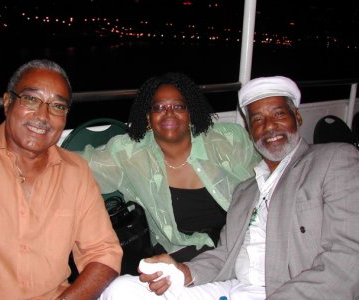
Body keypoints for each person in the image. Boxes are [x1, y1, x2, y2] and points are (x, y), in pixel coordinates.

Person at [98, 75, 359, 299]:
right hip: (235, 287)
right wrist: (182, 272)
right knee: (121, 290)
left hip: (288, 291)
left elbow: (348, 261)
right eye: (257, 119)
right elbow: (225, 255)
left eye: (278, 114)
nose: (268, 126)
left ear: (298, 117)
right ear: (249, 130)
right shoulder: (246, 191)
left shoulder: (332, 160)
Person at [0, 59, 122, 300]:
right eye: (31, 99)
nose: (43, 116)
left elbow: (104, 253)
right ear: (8, 103)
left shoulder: (75, 171)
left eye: (57, 106)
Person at [82, 72, 260, 264]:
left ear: (190, 113)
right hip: (181, 250)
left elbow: (266, 182)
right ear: (148, 118)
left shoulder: (229, 140)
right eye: (159, 107)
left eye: (178, 106)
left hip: (241, 240)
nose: (169, 113)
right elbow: (81, 166)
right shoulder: (129, 153)